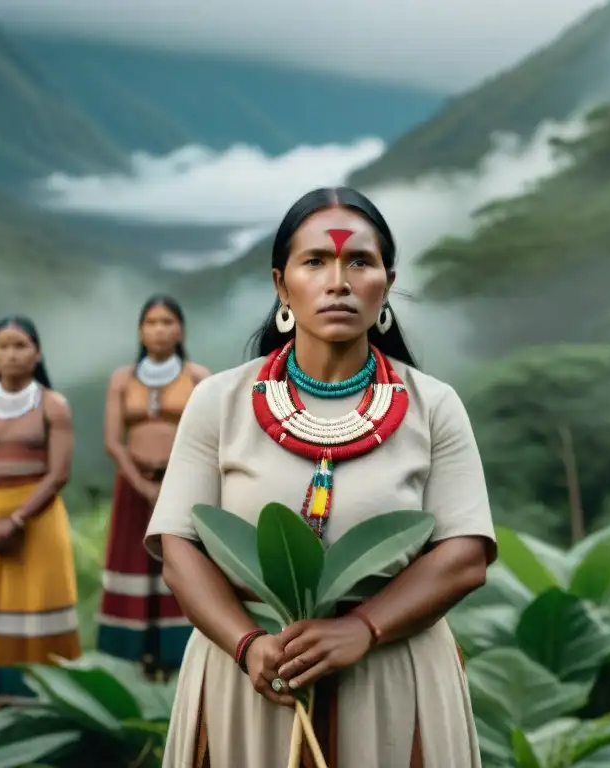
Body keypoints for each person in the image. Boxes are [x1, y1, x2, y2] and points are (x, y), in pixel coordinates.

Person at [144, 186, 496, 767]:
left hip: (391, 679)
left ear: (386, 281)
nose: (339, 281)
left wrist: (365, 629)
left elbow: (464, 554)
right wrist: (247, 642)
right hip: (250, 676)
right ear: (282, 285)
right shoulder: (218, 402)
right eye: (316, 262)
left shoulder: (433, 406)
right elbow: (180, 548)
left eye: (359, 261)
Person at [0, 315, 80, 703]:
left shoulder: (53, 405)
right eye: (3, 346)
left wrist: (18, 520)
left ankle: (47, 701)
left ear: (37, 354)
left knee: (39, 603)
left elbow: (58, 473)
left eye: (20, 346)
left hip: (37, 521)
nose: (11, 354)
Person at [97, 295, 211, 677]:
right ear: (140, 331)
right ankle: (135, 658)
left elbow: (209, 436)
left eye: (167, 322)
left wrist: (175, 483)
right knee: (135, 565)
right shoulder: (123, 378)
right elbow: (114, 441)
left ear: (180, 329)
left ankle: (179, 654)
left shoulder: (198, 377)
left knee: (179, 559)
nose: (159, 329)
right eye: (151, 322)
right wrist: (141, 485)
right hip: (133, 483)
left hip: (182, 483)